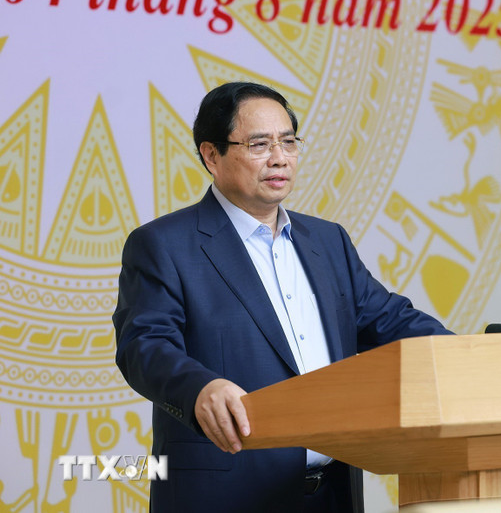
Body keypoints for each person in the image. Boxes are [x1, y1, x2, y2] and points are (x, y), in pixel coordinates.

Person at [112, 82, 451, 512]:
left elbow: (392, 321)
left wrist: (469, 356)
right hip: (227, 495)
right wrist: (199, 388)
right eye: (260, 144)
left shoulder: (327, 241)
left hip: (332, 494)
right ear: (211, 155)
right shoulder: (164, 245)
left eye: (288, 142)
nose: (279, 158)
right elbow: (144, 346)